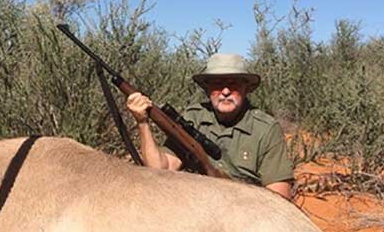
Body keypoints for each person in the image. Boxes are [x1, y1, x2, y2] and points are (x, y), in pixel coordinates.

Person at [126, 53, 294, 199]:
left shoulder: (265, 128)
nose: (226, 91)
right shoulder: (193, 117)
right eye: (218, 83)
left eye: (233, 83)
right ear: (207, 89)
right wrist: (143, 122)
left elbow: (279, 199)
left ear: (246, 88)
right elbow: (160, 169)